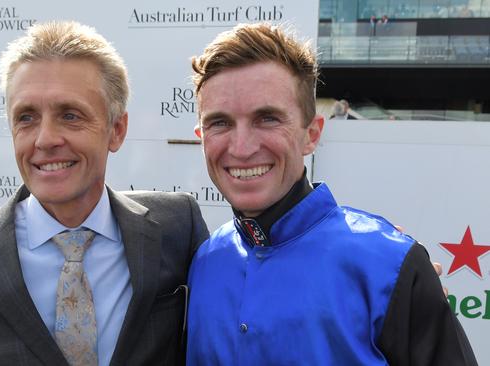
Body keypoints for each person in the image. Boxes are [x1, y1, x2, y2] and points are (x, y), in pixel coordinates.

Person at [0, 21, 208, 366]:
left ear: (116, 130)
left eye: (70, 115)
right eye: (26, 118)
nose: (45, 139)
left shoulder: (176, 226)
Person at [186, 22, 477, 365]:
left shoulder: (392, 263)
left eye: (267, 118)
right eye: (219, 122)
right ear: (200, 136)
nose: (242, 147)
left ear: (312, 134)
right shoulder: (203, 261)